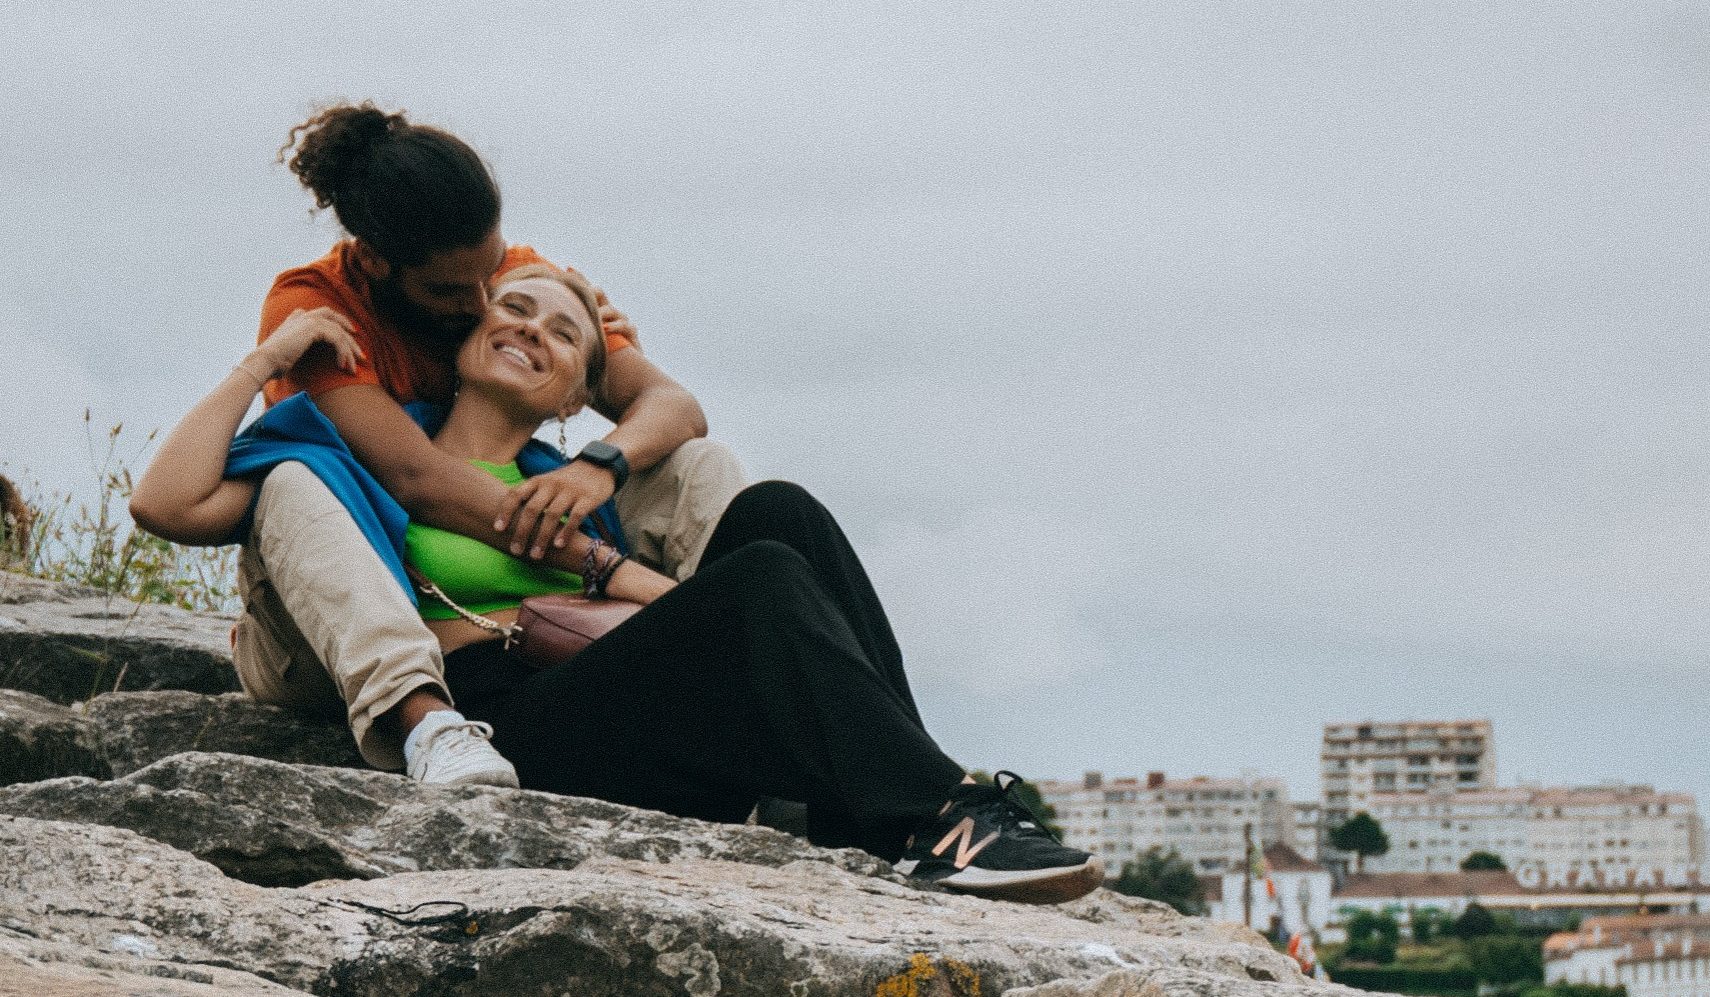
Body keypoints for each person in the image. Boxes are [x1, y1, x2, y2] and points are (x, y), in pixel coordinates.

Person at [130, 272, 1102, 899]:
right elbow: (166, 501)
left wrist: (598, 552)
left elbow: (694, 576)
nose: (530, 328)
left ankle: (908, 819)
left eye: (562, 331)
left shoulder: (589, 497)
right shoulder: (366, 457)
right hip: (502, 717)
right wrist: (267, 358)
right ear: (468, 331)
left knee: (782, 517)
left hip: (609, 700)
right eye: (513, 308)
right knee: (762, 575)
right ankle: (940, 815)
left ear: (574, 393)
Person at [227, 102, 748, 786]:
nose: (482, 302)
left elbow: (673, 405)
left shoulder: (519, 287)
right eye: (450, 288)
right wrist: (619, 574)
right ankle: (427, 726)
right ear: (379, 262)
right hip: (344, 622)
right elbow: (414, 479)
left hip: (498, 616)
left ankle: (762, 689)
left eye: (492, 270)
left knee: (698, 469)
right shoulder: (317, 304)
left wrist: (601, 464)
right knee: (291, 480)